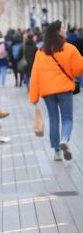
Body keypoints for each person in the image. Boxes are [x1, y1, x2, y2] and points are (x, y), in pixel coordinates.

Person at [29, 20, 83, 161]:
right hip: (64, 89)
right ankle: (64, 139)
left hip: (47, 92)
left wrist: (33, 97)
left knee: (53, 119)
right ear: (58, 32)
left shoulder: (40, 52)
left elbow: (35, 76)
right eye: (63, 28)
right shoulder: (69, 48)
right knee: (67, 118)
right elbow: (78, 69)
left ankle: (57, 152)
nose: (65, 30)